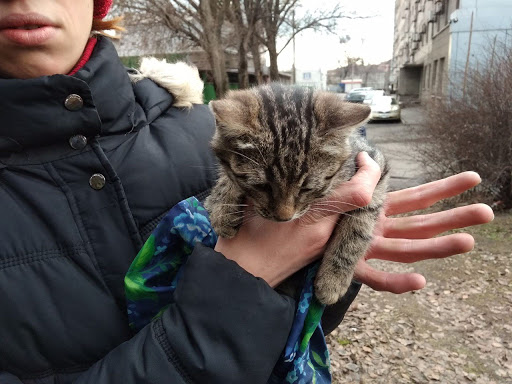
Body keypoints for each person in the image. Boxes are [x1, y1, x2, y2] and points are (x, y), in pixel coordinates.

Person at [0, 1, 494, 383]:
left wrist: (330, 254)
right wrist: (248, 277)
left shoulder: (191, 125)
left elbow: (298, 322)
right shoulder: (222, 137)